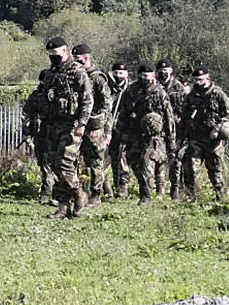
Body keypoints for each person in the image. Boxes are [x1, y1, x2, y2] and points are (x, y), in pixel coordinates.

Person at [38, 37, 93, 219]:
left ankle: (79, 194)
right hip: (53, 125)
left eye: (56, 54)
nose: (53, 57)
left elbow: (87, 99)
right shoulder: (50, 73)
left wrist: (82, 123)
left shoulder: (77, 71)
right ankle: (63, 208)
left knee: (65, 164)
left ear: (65, 51)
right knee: (55, 165)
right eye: (50, 55)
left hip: (72, 125)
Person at [114, 65, 176, 205]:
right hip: (134, 133)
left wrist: (171, 139)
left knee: (146, 163)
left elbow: (169, 117)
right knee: (134, 162)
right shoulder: (131, 91)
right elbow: (123, 112)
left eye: (147, 75)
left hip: (154, 136)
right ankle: (145, 188)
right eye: (142, 75)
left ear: (153, 75)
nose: (144, 78)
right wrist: (121, 131)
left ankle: (146, 196)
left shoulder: (159, 92)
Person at [178, 67, 229, 201]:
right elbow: (184, 116)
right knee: (191, 169)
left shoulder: (218, 94)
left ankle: (221, 199)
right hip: (195, 139)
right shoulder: (191, 96)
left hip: (213, 140)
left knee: (215, 172)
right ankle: (193, 198)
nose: (198, 82)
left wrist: (217, 128)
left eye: (201, 79)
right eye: (196, 80)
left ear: (207, 78)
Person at [72, 44, 113, 208]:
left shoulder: (97, 77)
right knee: (72, 160)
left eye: (78, 59)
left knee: (95, 162)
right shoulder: (75, 76)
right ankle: (76, 194)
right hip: (77, 125)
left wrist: (100, 125)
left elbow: (107, 104)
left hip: (94, 128)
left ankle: (96, 195)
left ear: (86, 58)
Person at [21, 69, 55, 205]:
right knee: (43, 164)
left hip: (55, 134)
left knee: (57, 164)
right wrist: (28, 136)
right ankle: (46, 194)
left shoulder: (55, 96)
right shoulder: (36, 96)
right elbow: (26, 115)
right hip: (40, 135)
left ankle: (54, 194)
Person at [157, 58, 187, 190]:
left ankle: (176, 187)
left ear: (171, 70)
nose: (163, 72)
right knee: (159, 158)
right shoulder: (155, 86)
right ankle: (159, 187)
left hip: (177, 128)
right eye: (161, 70)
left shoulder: (179, 87)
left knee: (176, 158)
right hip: (160, 129)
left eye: (166, 70)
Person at [105, 62, 131, 197]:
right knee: (102, 159)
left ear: (127, 74)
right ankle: (106, 187)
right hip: (107, 128)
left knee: (121, 158)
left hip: (124, 129)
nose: (118, 76)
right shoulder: (107, 88)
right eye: (115, 73)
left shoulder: (131, 90)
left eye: (121, 73)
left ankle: (122, 186)